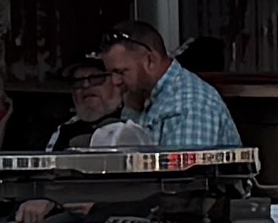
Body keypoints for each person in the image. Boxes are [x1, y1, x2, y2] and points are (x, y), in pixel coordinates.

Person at [91, 19, 244, 155]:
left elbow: (184, 181)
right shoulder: (142, 94)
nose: (115, 81)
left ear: (150, 61)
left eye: (121, 72)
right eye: (111, 73)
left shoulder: (189, 105)